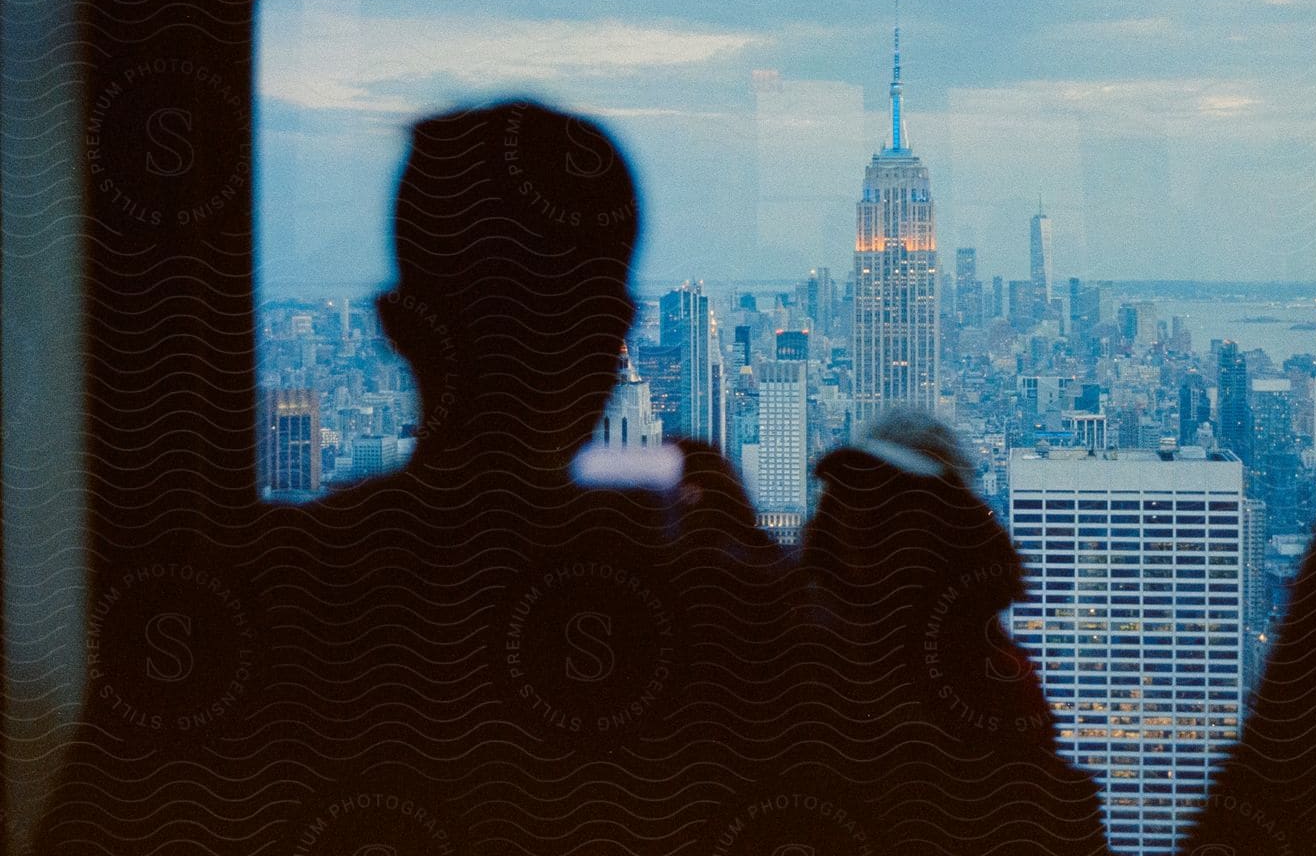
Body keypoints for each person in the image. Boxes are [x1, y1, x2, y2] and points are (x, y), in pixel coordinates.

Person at [36, 101, 792, 855]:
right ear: (614, 334)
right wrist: (753, 562)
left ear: (396, 323)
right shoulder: (716, 623)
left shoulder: (246, 601)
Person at [788, 408, 1109, 856]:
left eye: (897, 504)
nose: (864, 520)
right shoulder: (790, 655)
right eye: (849, 498)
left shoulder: (995, 685)